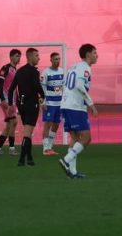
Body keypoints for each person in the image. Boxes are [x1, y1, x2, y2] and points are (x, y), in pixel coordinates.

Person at [59, 43, 98, 179]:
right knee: (87, 138)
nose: (97, 56)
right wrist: (91, 104)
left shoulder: (74, 67)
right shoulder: (85, 67)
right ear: (88, 54)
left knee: (75, 138)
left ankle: (73, 172)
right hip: (75, 106)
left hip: (66, 104)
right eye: (94, 53)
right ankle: (66, 160)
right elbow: (80, 86)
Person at [6, 48, 45, 166]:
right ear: (30, 57)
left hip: (21, 105)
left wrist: (10, 104)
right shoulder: (34, 71)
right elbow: (37, 85)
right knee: (27, 133)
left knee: (28, 131)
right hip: (31, 104)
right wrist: (43, 95)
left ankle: (30, 158)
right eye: (36, 56)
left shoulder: (19, 71)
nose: (39, 58)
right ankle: (22, 159)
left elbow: (11, 90)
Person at [0, 49, 21, 155]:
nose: (18, 58)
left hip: (11, 101)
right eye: (16, 56)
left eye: (19, 56)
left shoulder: (15, 70)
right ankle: (11, 149)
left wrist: (17, 102)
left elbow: (15, 89)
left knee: (10, 124)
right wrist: (3, 99)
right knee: (13, 122)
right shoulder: (5, 68)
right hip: (6, 100)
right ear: (11, 57)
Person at [40, 52, 65, 156]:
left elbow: (63, 87)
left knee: (56, 125)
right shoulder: (46, 72)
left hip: (59, 103)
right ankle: (45, 149)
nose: (57, 61)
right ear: (51, 60)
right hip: (49, 103)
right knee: (47, 125)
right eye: (55, 59)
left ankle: (50, 147)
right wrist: (43, 102)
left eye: (58, 59)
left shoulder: (62, 71)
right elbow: (41, 88)